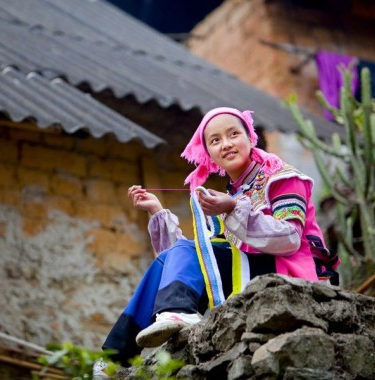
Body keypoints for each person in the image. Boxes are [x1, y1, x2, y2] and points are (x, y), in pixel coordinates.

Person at [100, 106, 340, 366]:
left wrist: (235, 208)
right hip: (248, 269)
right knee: (168, 258)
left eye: (233, 134)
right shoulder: (234, 195)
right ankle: (115, 357)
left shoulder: (282, 177)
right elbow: (184, 262)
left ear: (250, 138)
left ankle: (178, 312)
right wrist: (157, 212)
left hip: (293, 271)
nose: (226, 144)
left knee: (184, 252)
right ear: (210, 155)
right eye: (215, 140)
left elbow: (290, 238)